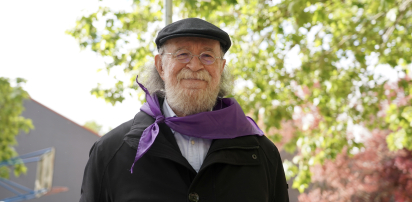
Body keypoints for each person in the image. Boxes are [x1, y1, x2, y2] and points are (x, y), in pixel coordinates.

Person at [79, 18, 289, 202]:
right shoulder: (110, 153)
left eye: (207, 56)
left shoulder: (262, 154)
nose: (195, 66)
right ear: (161, 66)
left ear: (221, 68)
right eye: (183, 54)